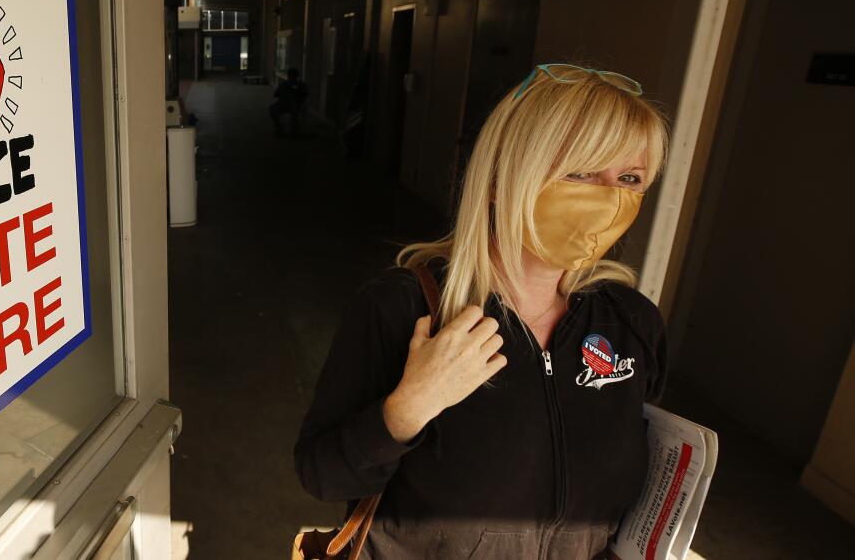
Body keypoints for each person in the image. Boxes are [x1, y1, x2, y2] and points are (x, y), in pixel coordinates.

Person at [294, 64, 669, 559]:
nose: (607, 200)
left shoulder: (630, 322)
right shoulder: (404, 309)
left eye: (629, 178)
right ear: (503, 176)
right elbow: (322, 474)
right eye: (580, 172)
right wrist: (409, 407)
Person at [270, 68, 309, 136]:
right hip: (283, 104)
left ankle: (293, 130)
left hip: (294, 105)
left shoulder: (300, 85)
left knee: (294, 109)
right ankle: (279, 128)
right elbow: (276, 94)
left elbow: (304, 94)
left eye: (292, 75)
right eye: (290, 75)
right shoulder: (284, 84)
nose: (290, 77)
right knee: (272, 108)